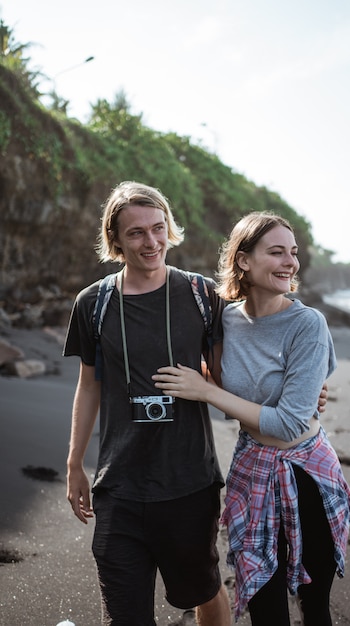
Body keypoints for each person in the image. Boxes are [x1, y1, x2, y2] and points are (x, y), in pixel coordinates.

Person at [153, 211, 350, 625]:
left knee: (314, 606)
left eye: (293, 253)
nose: (290, 262)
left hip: (306, 474)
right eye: (276, 252)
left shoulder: (307, 324)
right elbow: (209, 372)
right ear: (243, 260)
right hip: (251, 470)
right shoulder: (223, 321)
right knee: (264, 608)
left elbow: (287, 423)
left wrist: (208, 392)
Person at [63, 181, 232, 626]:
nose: (151, 241)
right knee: (125, 615)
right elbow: (89, 385)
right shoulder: (93, 303)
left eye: (158, 228)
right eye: (136, 232)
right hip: (118, 484)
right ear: (115, 239)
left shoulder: (201, 295)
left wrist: (302, 394)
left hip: (189, 483)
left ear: (170, 228)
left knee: (205, 592)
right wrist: (74, 463)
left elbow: (230, 378)